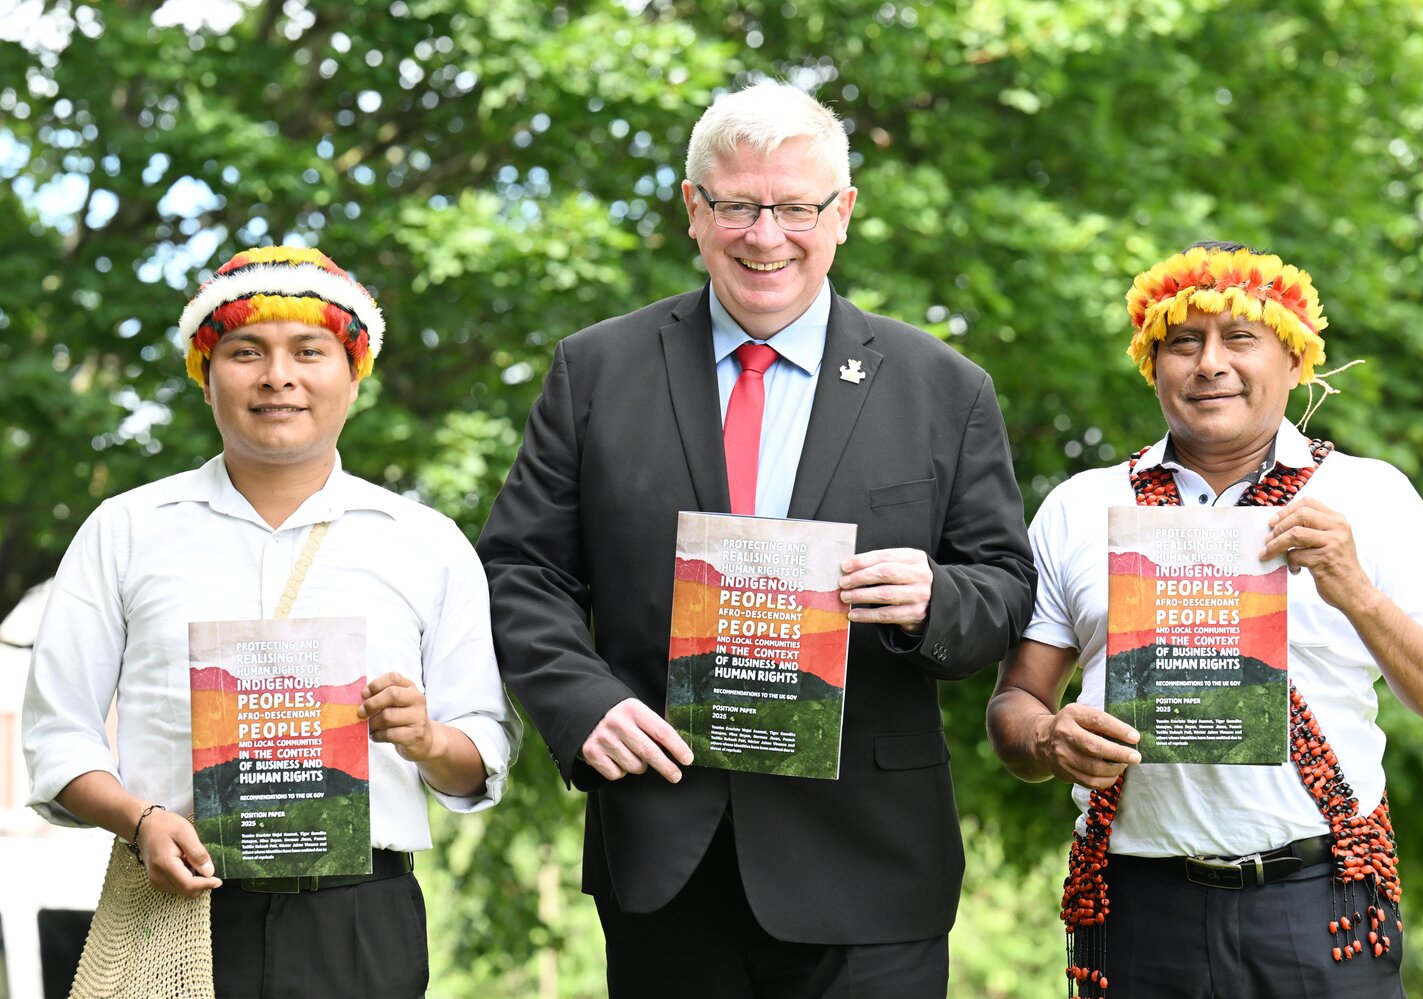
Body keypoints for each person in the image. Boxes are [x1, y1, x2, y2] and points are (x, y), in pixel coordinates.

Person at [478, 81, 1036, 998]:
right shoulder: (596, 371)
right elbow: (519, 569)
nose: (765, 234)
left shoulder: (946, 388)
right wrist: (582, 705)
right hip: (667, 854)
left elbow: (1006, 585)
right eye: (737, 205)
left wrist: (937, 598)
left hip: (873, 865)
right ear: (694, 211)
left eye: (795, 207)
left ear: (843, 213)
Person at [987, 241, 1423, 998]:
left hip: (1320, 902)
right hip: (1133, 906)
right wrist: (1047, 736)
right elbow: (1013, 705)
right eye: (1183, 342)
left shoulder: (1371, 496)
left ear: (1295, 361)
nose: (1209, 363)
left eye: (1240, 338)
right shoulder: (1080, 505)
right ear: (1151, 363)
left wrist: (1353, 587)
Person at [23, 245, 522, 999]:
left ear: (354, 375)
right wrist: (139, 818)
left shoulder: (425, 543)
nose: (277, 376)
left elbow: (479, 748)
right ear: (205, 372)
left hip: (359, 922)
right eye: (245, 351)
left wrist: (426, 738)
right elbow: (59, 734)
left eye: (309, 351)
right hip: (177, 905)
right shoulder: (126, 530)